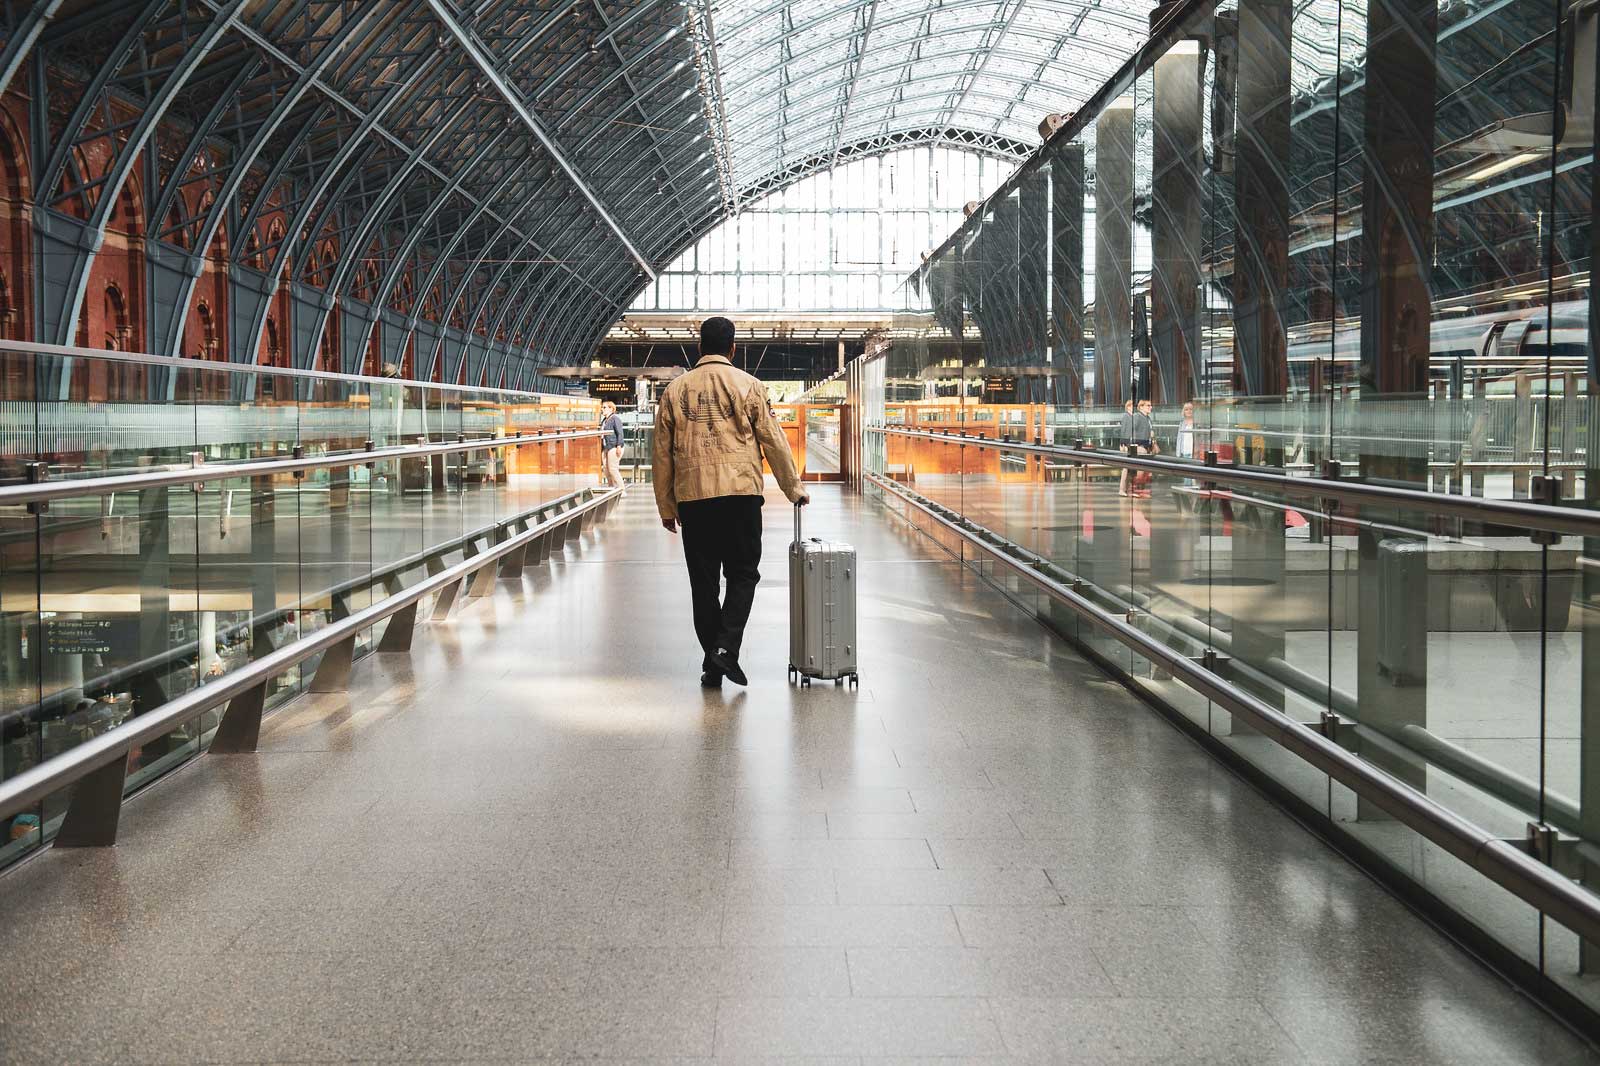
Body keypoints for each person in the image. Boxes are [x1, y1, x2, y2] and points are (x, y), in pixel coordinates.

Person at [654, 317, 809, 688]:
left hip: (695, 498)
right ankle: (724, 651)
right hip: (740, 497)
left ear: (699, 348)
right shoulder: (750, 386)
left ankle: (714, 661)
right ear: (734, 348)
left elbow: (661, 454)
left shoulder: (675, 392)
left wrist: (666, 506)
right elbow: (773, 440)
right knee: (743, 574)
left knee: (703, 584)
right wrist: (794, 488)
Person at [599, 400, 625, 490]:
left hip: (614, 446)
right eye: (602, 407)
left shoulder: (615, 419)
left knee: (613, 469)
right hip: (606, 447)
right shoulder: (604, 420)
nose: (602, 409)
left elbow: (620, 433)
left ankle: (621, 489)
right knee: (606, 469)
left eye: (604, 407)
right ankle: (611, 488)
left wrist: (618, 446)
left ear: (611, 408)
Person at [1117, 398, 1136, 497]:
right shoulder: (1126, 416)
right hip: (1126, 444)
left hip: (1132, 444)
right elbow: (1123, 430)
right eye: (1132, 406)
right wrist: (1123, 444)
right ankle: (1122, 489)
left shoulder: (1133, 417)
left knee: (1131, 468)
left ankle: (1129, 489)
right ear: (1128, 407)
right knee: (1126, 468)